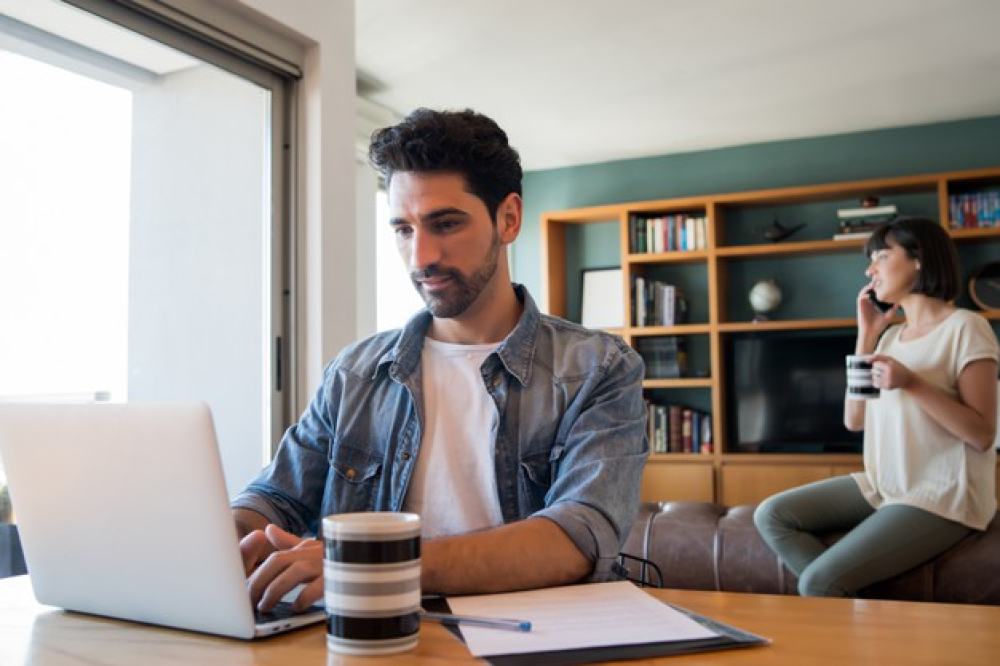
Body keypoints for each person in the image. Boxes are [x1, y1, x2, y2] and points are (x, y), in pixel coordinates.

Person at [231, 108, 648, 613]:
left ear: (508, 218)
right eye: (403, 230)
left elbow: (578, 537)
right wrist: (223, 539)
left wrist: (373, 563)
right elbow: (277, 498)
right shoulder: (355, 372)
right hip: (369, 636)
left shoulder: (598, 368)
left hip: (530, 641)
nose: (420, 256)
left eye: (444, 223)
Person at [754, 215, 998, 597]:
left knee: (817, 583)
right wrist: (866, 336)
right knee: (772, 515)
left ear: (919, 259)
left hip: (944, 494)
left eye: (882, 257)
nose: (870, 270)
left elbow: (983, 434)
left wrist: (913, 383)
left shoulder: (966, 328)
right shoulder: (890, 338)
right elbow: (855, 419)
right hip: (887, 484)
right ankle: (864, 608)